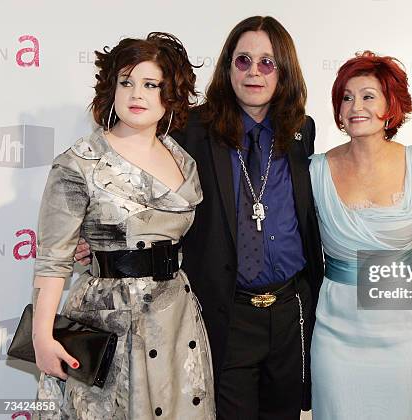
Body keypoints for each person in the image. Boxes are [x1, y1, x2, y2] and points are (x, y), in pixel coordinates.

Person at [75, 16, 324, 419]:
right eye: (243, 60)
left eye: (267, 62)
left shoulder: (300, 130)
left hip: (291, 310)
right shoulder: (192, 130)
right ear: (227, 67)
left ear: (285, 72)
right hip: (224, 312)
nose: (254, 72)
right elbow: (143, 188)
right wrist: (105, 240)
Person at [32, 32, 215, 419]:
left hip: (176, 318)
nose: (137, 94)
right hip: (109, 321)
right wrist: (41, 337)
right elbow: (53, 260)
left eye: (151, 85)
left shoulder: (183, 161)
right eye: (127, 82)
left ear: (170, 95)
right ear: (111, 89)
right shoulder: (79, 163)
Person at [309, 51, 412, 419]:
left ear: (390, 105)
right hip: (335, 328)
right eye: (346, 97)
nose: (354, 106)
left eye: (368, 95)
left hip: (403, 332)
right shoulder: (316, 169)